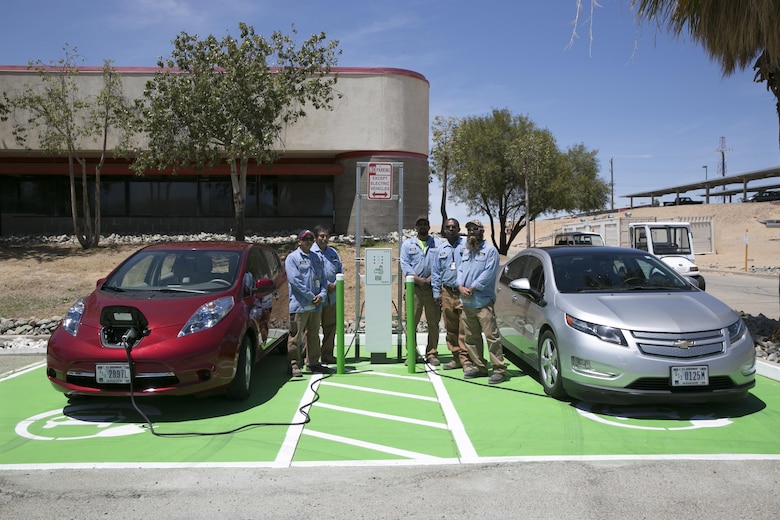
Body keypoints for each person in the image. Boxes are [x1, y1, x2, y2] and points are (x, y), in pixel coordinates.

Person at [457, 219, 508, 384]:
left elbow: (489, 273)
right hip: (466, 302)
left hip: (482, 301)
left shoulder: (490, 251)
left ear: (482, 231)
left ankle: (499, 369)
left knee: (491, 336)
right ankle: (479, 366)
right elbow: (460, 270)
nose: (471, 231)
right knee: (471, 338)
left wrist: (472, 287)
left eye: (475, 229)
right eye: (469, 229)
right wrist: (459, 286)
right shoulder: (465, 251)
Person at [285, 229, 331, 377]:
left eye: (311, 239)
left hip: (316, 304)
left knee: (313, 335)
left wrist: (322, 295)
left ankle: (313, 362)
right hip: (300, 304)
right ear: (299, 241)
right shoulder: (292, 258)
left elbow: (324, 280)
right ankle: (293, 364)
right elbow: (295, 281)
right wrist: (311, 296)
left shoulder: (317, 258)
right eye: (305, 239)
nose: (309, 242)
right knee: (296, 336)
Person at [400, 215, 441, 365]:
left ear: (429, 227)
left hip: (432, 289)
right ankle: (412, 353)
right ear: (415, 228)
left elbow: (440, 264)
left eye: (425, 224)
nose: (422, 227)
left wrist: (431, 278)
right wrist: (418, 279)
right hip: (414, 289)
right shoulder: (407, 245)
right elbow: (405, 264)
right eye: (420, 224)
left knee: (433, 322)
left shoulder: (437, 244)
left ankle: (432, 353)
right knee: (411, 322)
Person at [431, 218, 468, 370]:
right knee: (451, 326)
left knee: (464, 327)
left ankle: (466, 360)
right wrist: (436, 292)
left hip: (463, 293)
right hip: (447, 292)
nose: (451, 229)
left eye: (454, 227)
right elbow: (436, 271)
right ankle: (455, 357)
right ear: (444, 230)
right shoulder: (440, 248)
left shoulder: (466, 245)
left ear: (459, 229)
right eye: (448, 227)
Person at [310, 224, 343, 364]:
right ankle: (311, 357)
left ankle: (327, 354)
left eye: (326, 236)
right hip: (316, 297)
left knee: (330, 327)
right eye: (321, 236)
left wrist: (334, 285)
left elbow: (340, 271)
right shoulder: (310, 253)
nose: (324, 239)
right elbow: (310, 273)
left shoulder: (333, 253)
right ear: (316, 237)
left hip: (332, 297)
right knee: (312, 329)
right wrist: (326, 285)